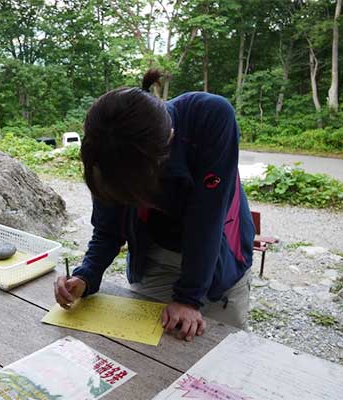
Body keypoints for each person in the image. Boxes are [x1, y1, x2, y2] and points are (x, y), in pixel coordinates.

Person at [53, 69, 255, 342]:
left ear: (167, 145)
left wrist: (188, 298)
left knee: (220, 354)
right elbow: (108, 227)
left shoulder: (210, 117)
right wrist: (87, 274)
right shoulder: (108, 144)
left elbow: (207, 219)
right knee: (148, 352)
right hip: (154, 258)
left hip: (217, 259)